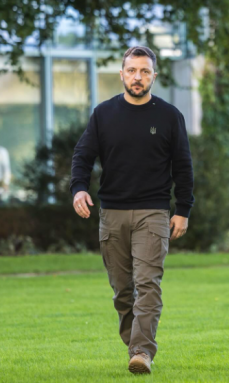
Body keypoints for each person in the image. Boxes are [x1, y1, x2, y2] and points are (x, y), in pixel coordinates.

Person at [70, 46, 194, 374]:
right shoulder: (104, 114)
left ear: (154, 75)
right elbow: (82, 156)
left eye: (144, 71)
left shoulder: (169, 116)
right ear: (122, 74)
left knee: (148, 282)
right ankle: (135, 346)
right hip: (112, 213)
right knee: (123, 290)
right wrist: (79, 188)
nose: (137, 77)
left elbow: (183, 166)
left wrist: (183, 208)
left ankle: (142, 351)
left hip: (153, 212)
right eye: (132, 71)